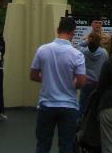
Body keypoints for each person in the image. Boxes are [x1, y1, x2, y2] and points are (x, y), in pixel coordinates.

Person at [30, 16, 86, 153]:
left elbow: (33, 75)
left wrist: (47, 78)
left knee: (43, 144)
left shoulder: (42, 50)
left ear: (57, 30)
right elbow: (82, 81)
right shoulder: (77, 54)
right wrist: (73, 84)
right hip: (68, 105)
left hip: (46, 104)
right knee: (66, 145)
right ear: (73, 32)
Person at [77, 30, 108, 117]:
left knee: (82, 103)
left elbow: (78, 46)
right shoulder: (104, 53)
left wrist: (87, 40)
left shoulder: (83, 51)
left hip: (86, 81)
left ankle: (79, 121)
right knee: (96, 104)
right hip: (97, 82)